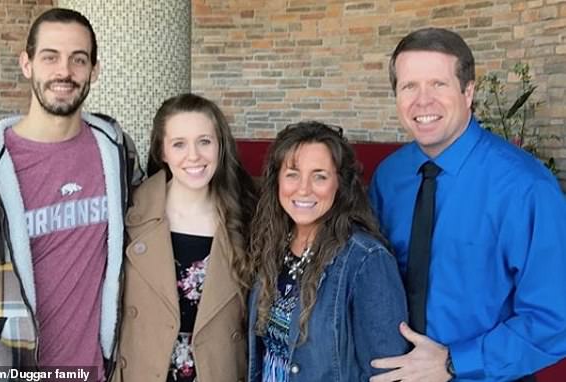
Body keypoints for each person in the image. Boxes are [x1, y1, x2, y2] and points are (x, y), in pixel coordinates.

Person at [0, 8, 142, 381]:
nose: (64, 71)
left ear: (94, 70)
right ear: (27, 64)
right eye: (50, 56)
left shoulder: (118, 154)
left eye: (79, 59)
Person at [369, 27, 566, 382]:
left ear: (468, 91)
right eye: (409, 86)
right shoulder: (388, 178)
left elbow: (555, 318)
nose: (422, 101)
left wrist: (453, 362)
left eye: (438, 84)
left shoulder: (527, 188)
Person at [247, 121, 409, 381]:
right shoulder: (273, 245)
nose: (303, 188)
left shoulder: (366, 260)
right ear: (276, 180)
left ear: (340, 184)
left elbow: (388, 372)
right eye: (292, 174)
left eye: (319, 176)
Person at [114, 93, 257, 382]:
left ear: (220, 146)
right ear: (162, 152)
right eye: (179, 144)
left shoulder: (249, 215)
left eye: (204, 141)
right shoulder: (127, 211)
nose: (194, 156)